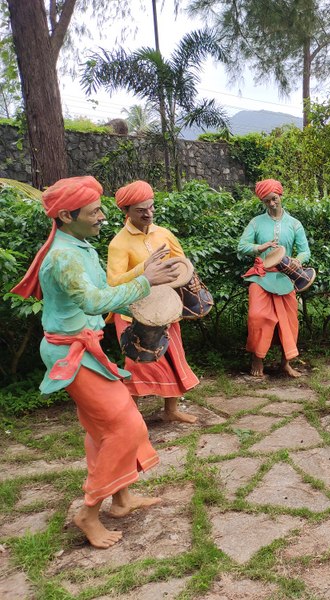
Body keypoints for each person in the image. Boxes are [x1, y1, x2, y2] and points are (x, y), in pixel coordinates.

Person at [11, 176, 179, 549]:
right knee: (126, 426)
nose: (103, 216)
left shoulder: (80, 246)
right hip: (70, 354)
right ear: (66, 216)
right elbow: (91, 302)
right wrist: (145, 282)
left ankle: (121, 498)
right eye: (94, 211)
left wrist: (147, 286)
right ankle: (89, 512)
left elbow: (105, 291)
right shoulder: (64, 257)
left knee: (102, 429)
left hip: (85, 347)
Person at [107, 180, 199, 423]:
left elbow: (182, 263)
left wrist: (190, 280)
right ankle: (131, 418)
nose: (148, 213)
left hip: (165, 308)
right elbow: (113, 283)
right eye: (140, 210)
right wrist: (143, 269)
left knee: (173, 356)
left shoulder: (164, 234)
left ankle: (171, 411)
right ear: (125, 211)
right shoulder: (118, 243)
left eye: (151, 207)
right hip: (133, 313)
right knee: (138, 363)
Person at [238, 178, 310, 378]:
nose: (271, 203)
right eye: (266, 201)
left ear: (280, 195)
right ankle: (257, 358)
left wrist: (298, 260)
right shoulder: (256, 222)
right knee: (257, 317)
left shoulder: (294, 224)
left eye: (274, 198)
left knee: (289, 321)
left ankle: (285, 363)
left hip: (285, 278)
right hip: (260, 277)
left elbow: (305, 251)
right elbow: (242, 246)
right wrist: (258, 247)